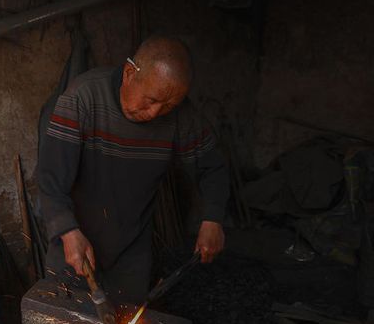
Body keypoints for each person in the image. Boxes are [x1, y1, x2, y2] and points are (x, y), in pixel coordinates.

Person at [37, 36, 230, 305]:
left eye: (168, 106)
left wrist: (213, 219)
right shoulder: (83, 98)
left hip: (132, 254)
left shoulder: (180, 117)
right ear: (129, 73)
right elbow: (50, 179)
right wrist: (67, 231)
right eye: (151, 100)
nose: (154, 113)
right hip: (74, 245)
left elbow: (213, 167)